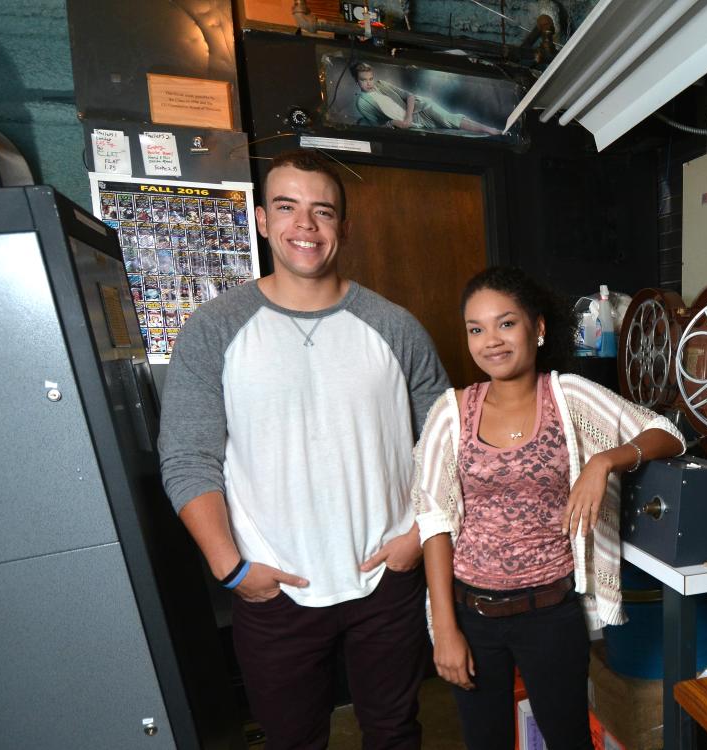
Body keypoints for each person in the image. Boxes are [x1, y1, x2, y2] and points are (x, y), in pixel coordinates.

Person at [159, 149, 450, 749]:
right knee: (293, 741)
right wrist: (230, 567)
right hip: (273, 586)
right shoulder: (215, 327)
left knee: (395, 732)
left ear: (343, 226)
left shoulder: (394, 326)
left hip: (386, 579)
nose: (306, 226)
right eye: (288, 208)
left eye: (323, 211)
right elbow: (188, 456)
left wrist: (417, 537)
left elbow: (447, 444)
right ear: (263, 220)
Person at [411, 267, 685, 749]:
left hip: (550, 613)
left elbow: (667, 434)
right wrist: (446, 629)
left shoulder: (568, 397)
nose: (490, 341)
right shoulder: (451, 412)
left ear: (537, 329)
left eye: (505, 323)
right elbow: (433, 520)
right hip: (472, 615)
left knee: (569, 739)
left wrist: (604, 461)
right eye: (476, 329)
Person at [350, 63, 501, 135]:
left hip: (421, 108)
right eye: (364, 80)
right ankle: (488, 131)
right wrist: (396, 123)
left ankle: (489, 129)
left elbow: (409, 96)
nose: (369, 83)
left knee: (450, 120)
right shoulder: (362, 103)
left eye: (371, 78)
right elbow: (378, 126)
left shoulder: (381, 84)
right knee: (449, 131)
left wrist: (408, 117)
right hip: (412, 126)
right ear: (357, 82)